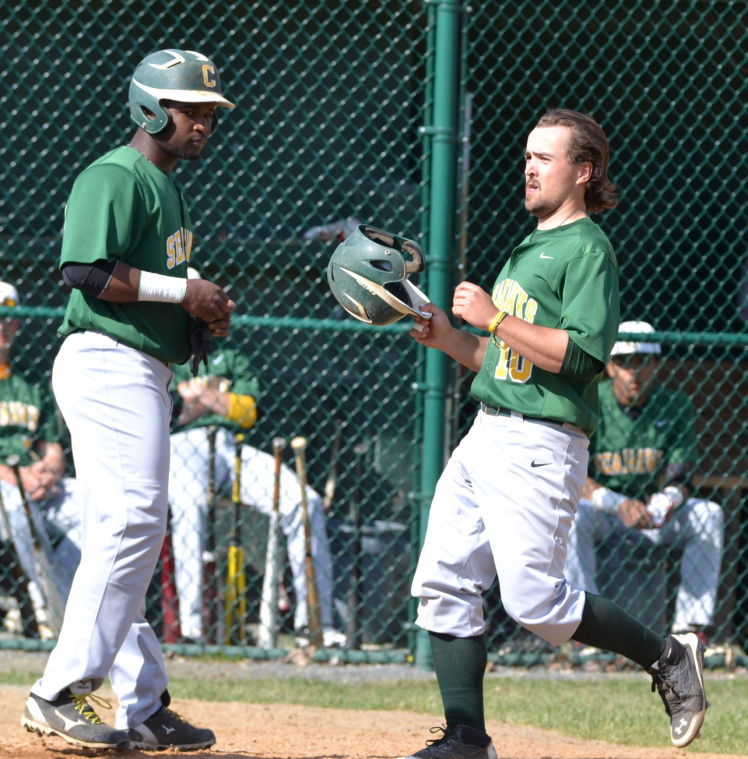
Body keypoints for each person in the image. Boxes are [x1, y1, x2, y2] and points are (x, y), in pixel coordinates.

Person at [398, 109, 708, 759]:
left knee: (537, 603)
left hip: (540, 444)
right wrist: (450, 335)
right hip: (487, 432)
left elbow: (583, 355)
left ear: (584, 171)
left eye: (547, 157)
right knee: (445, 579)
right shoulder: (533, 244)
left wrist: (494, 314)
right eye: (527, 156)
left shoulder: (587, 246)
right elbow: (504, 361)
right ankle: (466, 737)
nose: (530, 166)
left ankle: (668, 655)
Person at [21, 48, 236, 752]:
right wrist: (185, 291)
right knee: (134, 520)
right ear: (150, 107)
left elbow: (149, 291)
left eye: (209, 113)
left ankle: (144, 702)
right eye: (190, 110)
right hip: (106, 362)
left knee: (131, 532)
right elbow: (84, 270)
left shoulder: (167, 188)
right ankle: (58, 692)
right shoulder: (116, 174)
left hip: (140, 368)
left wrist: (197, 320)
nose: (203, 123)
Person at [168, 317, 344, 647]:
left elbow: (247, 413)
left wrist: (199, 396)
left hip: (231, 445)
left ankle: (315, 625)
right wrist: (217, 399)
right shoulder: (163, 349)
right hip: (181, 447)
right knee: (191, 506)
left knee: (305, 502)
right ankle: (190, 630)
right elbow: (175, 414)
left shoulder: (231, 354)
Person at [565, 320, 723, 641]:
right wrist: (618, 503)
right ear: (610, 367)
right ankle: (584, 627)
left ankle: (689, 631)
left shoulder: (675, 404)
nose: (633, 373)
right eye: (624, 363)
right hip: (605, 512)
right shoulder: (590, 400)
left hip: (654, 513)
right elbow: (573, 476)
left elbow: (682, 474)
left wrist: (667, 500)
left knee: (708, 514)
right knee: (572, 517)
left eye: (642, 362)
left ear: (656, 365)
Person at [0, 281, 81, 635]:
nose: (5, 326)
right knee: (20, 509)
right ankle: (45, 607)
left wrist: (49, 471)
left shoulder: (30, 383)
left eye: (11, 319)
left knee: (93, 504)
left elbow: (51, 445)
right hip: (8, 488)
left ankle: (69, 609)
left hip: (35, 485)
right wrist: (18, 479)